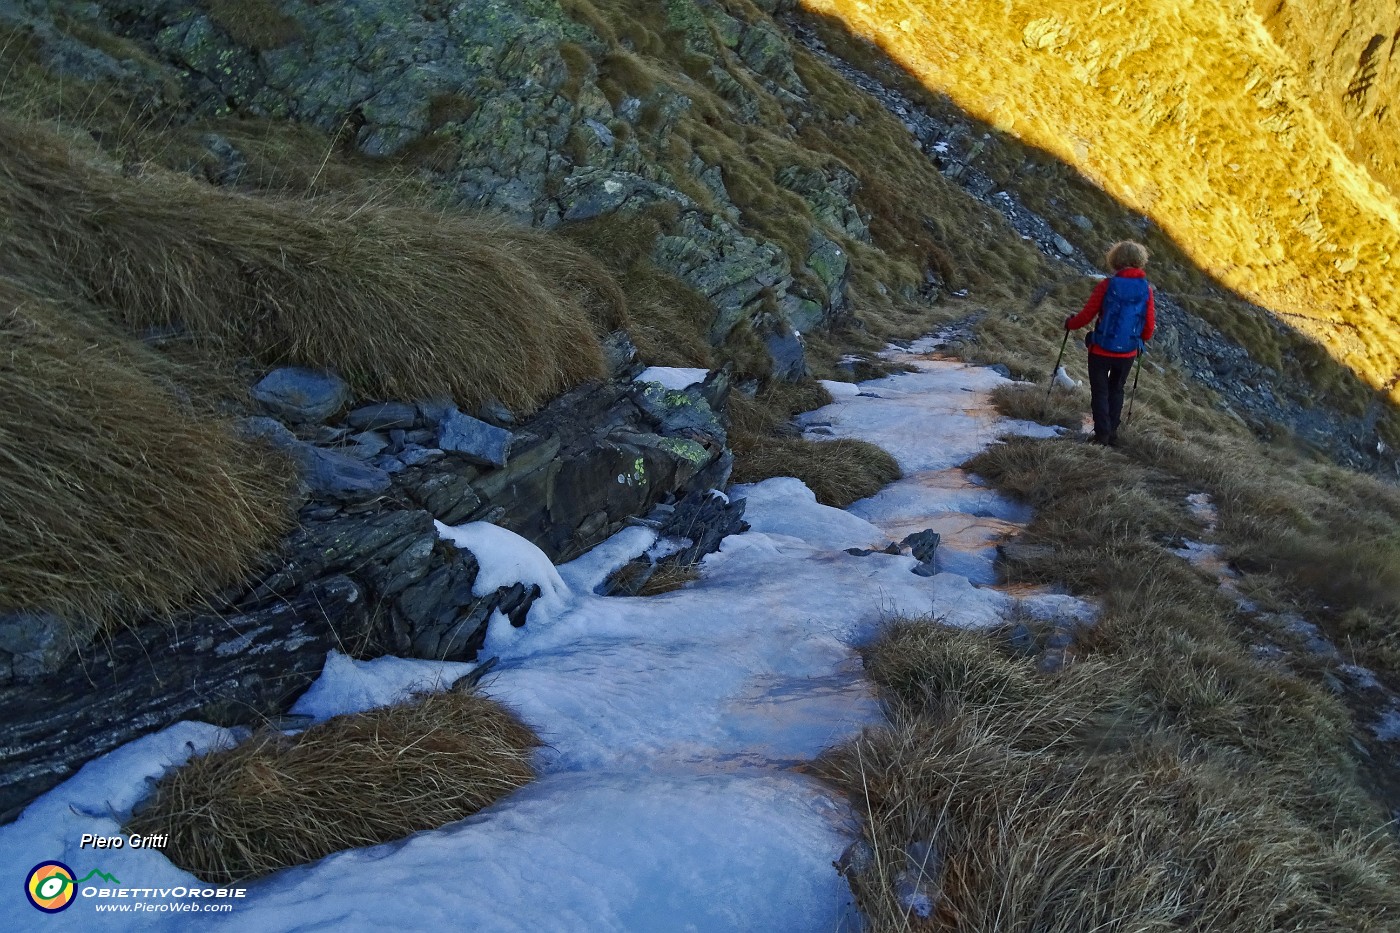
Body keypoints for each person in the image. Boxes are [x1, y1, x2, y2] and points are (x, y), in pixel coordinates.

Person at [1064, 241, 1155, 445]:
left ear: (1116, 260)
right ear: (1140, 260)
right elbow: (1149, 325)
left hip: (1101, 349)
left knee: (1100, 391)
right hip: (1128, 353)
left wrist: (1071, 324)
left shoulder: (1107, 285)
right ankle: (1112, 433)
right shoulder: (1146, 290)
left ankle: (1101, 435)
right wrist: (1140, 340)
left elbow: (1087, 315)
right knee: (1117, 389)